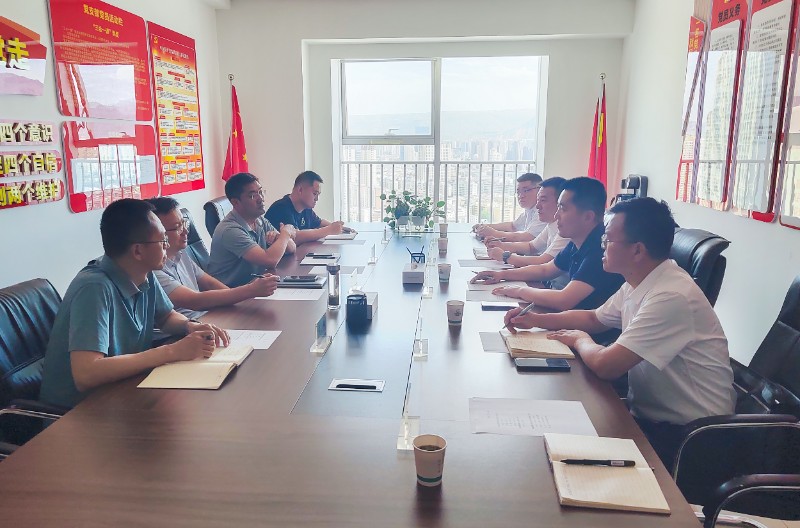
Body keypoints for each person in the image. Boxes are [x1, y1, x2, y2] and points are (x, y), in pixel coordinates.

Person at [504, 197, 735, 469]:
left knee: (562, 456)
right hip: (651, 418)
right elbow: (594, 318)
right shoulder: (641, 280)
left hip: (691, 439)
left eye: (608, 239)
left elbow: (606, 365)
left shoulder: (671, 296)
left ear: (637, 250)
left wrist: (579, 339)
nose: (601, 245)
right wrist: (536, 319)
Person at [39, 199, 229, 409]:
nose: (167, 246)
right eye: (163, 240)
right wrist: (171, 352)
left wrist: (189, 326)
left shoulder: (143, 272)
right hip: (80, 411)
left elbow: (166, 316)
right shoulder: (94, 288)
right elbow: (86, 373)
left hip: (124, 390)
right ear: (138, 251)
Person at [472, 177, 624, 312]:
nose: (557, 215)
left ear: (588, 217)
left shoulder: (600, 250)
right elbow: (546, 270)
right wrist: (501, 275)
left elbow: (563, 300)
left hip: (586, 329)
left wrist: (519, 291)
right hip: (572, 320)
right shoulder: (577, 241)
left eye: (563, 208)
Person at [146, 197, 279, 324]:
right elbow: (194, 301)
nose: (185, 231)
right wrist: (250, 290)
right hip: (186, 329)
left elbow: (210, 284)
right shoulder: (153, 270)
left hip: (208, 318)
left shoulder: (181, 254)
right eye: (177, 227)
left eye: (184, 223)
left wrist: (242, 302)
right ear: (159, 232)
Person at [208, 172, 297, 287]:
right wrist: (285, 233)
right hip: (230, 293)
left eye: (260, 192)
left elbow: (292, 248)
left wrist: (279, 237)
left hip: (253, 287)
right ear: (235, 202)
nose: (261, 199)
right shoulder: (230, 230)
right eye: (252, 195)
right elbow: (270, 260)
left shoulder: (260, 220)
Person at [486, 177, 570, 273]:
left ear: (560, 203)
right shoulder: (551, 224)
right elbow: (531, 246)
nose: (537, 206)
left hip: (550, 281)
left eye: (543, 200)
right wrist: (501, 245)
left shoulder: (566, 229)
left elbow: (544, 262)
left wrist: (505, 256)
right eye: (538, 200)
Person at [265, 170, 352, 244]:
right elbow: (295, 237)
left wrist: (339, 228)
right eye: (314, 194)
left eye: (318, 195)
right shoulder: (282, 208)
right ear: (300, 190)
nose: (317, 199)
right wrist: (329, 230)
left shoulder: (306, 208)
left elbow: (319, 223)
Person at [472, 173, 546, 242]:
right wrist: (485, 227)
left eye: (526, 190)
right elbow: (512, 226)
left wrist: (493, 233)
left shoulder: (543, 211)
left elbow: (527, 238)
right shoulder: (529, 210)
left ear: (539, 190)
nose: (521, 196)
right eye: (518, 192)